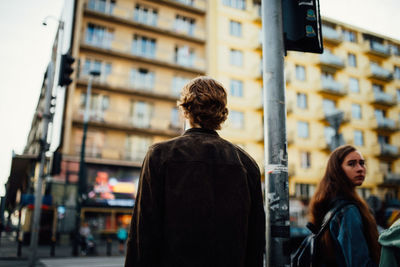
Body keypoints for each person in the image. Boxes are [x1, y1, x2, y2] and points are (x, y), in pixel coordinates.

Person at [124, 76, 265, 267]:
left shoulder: (159, 155)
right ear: (222, 113)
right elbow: (255, 242)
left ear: (185, 110)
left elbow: (143, 234)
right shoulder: (247, 164)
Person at [308, 145, 380, 267]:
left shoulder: (331, 204)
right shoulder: (347, 211)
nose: (360, 169)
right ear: (337, 170)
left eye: (362, 163)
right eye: (352, 164)